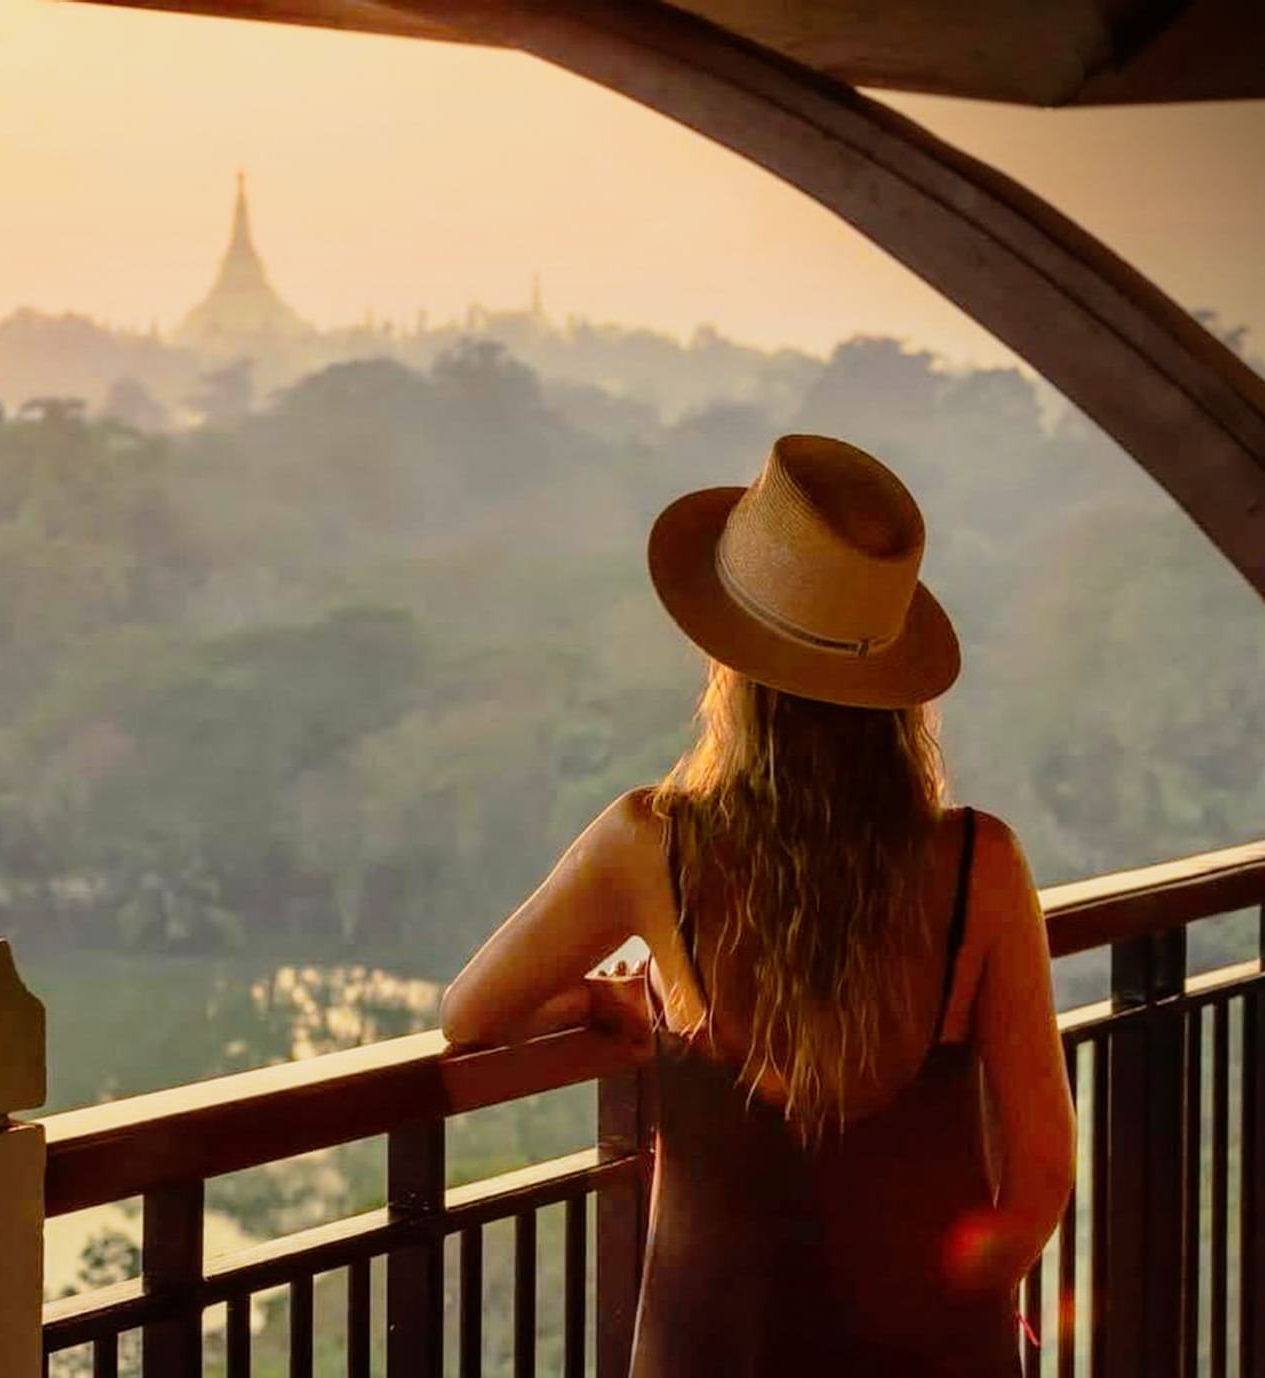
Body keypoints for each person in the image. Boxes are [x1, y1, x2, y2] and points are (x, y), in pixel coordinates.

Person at [439, 434, 1075, 1374]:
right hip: (933, 1345)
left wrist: (607, 1003)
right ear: (892, 684)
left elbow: (471, 1014)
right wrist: (963, 1313)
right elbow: (1038, 1174)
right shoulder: (979, 861)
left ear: (730, 666)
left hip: (710, 1344)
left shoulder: (651, 843)